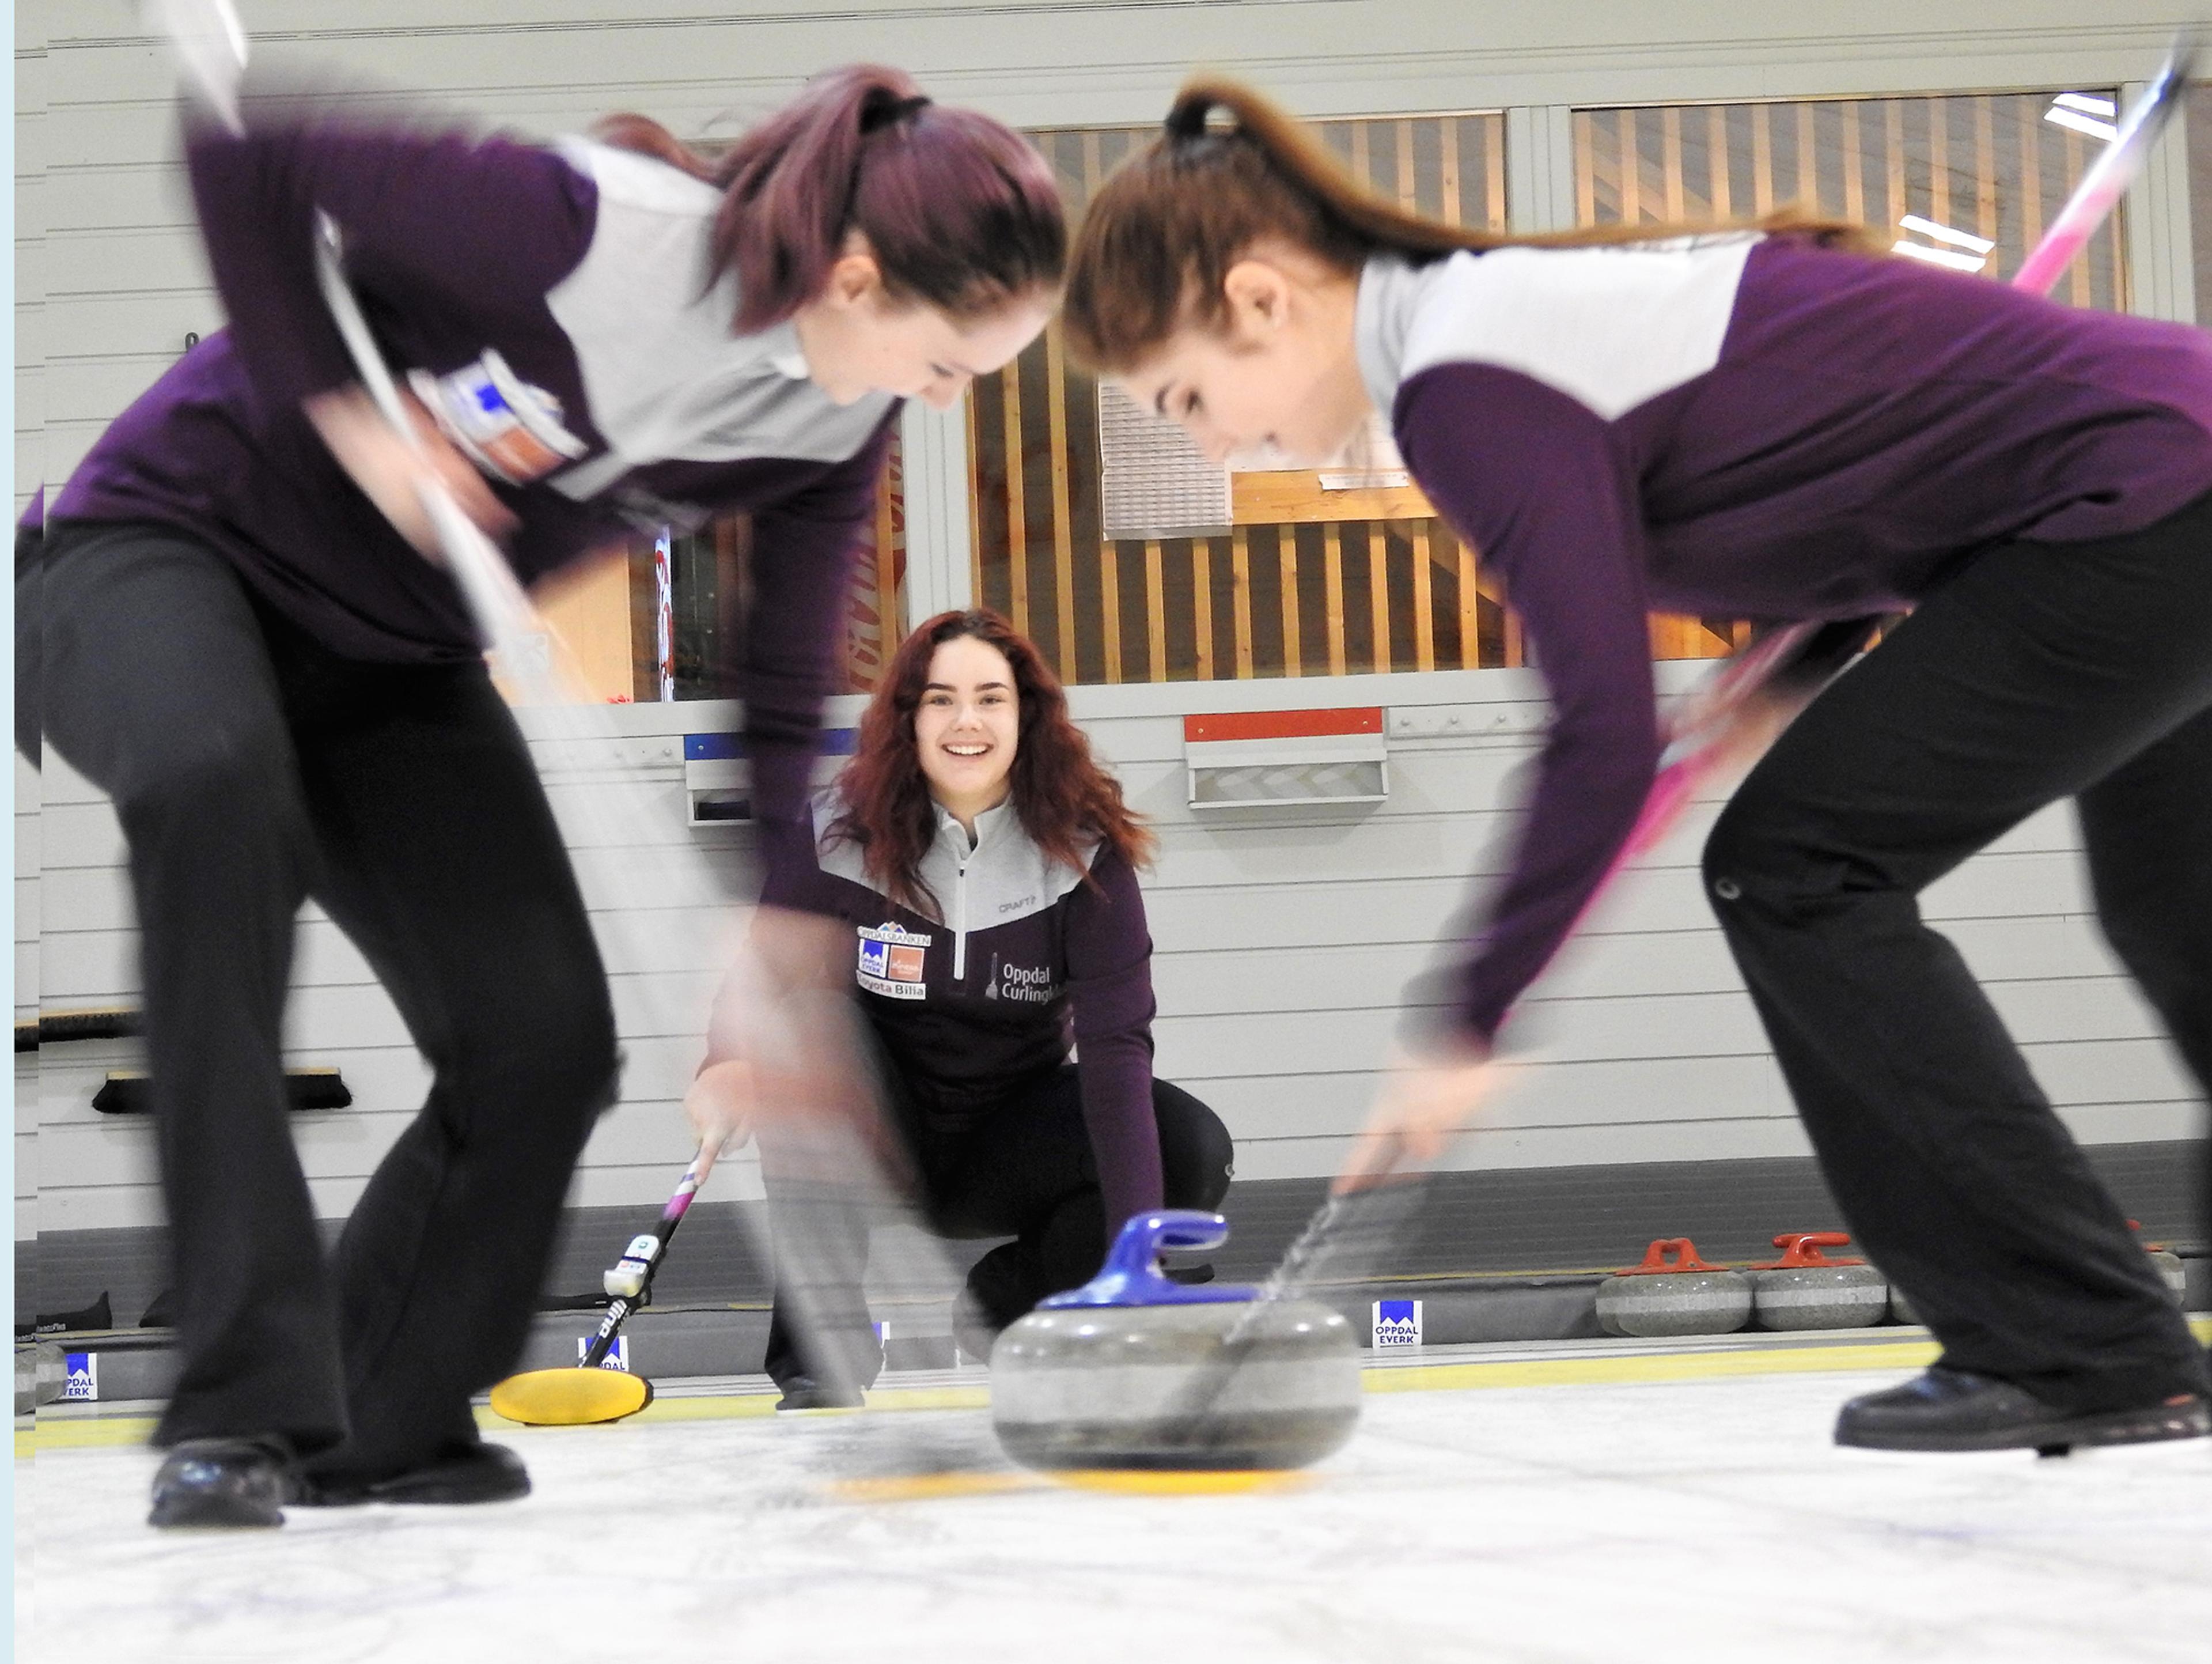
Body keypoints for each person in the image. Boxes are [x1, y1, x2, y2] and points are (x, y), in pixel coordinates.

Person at [1059, 77, 2212, 1455]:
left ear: (1259, 298)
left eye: (1188, 394)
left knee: (1796, 869)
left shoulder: (1465, 375)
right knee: (2174, 916)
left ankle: (2083, 1347)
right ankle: (2112, 1351)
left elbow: (1600, 731)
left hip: (2140, 503)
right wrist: (1783, 672)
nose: (1209, 439)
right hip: (2158, 487)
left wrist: (1468, 1014)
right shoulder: (1494, 320)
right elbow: (1884, 448)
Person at [20, 63, 1062, 1527]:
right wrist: (348, 414)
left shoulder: (832, 420)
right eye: (948, 361)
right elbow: (245, 157)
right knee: (213, 786)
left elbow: (779, 682)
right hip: (156, 555)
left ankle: (379, 1418)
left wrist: (775, 918)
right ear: (857, 273)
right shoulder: (589, 230)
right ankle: (239, 1410)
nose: (940, 397)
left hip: (390, 658)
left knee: (543, 1039)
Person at [686, 609, 1234, 1408]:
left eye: (991, 698)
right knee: (798, 1035)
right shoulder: (839, 838)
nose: (966, 720)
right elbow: (764, 976)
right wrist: (725, 1064)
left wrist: (1137, 1258)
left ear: (1028, 717)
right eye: (940, 699)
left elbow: (1117, 1051)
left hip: (1006, 1139)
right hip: (874, 1133)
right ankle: (819, 1364)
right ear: (906, 718)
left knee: (1190, 1146)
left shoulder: (1084, 856)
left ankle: (1008, 1313)